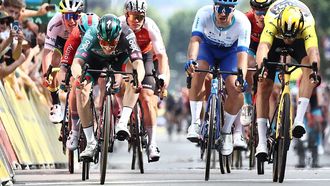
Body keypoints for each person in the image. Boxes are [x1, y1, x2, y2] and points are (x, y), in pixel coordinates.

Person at [71, 14, 145, 158]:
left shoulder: (127, 33)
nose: (108, 47)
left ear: (119, 36)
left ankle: (122, 123)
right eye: (104, 42)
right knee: (82, 90)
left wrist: (138, 80)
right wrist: (79, 78)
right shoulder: (91, 33)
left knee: (134, 76)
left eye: (112, 43)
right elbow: (76, 63)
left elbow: (139, 64)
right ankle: (91, 143)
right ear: (98, 36)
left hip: (119, 58)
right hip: (93, 59)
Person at [255, 0, 321, 161]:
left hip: (300, 40)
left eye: (290, 37)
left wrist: (314, 72)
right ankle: (261, 142)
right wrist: (261, 68)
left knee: (309, 68)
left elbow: (313, 51)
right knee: (263, 84)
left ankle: (298, 120)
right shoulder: (271, 18)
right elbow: (263, 47)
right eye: (286, 37)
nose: (288, 40)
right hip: (275, 38)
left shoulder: (307, 23)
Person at [184, 0, 251, 156]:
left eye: (227, 9)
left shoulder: (243, 23)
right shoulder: (203, 13)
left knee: (235, 88)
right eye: (219, 8)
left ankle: (226, 132)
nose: (223, 13)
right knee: (198, 71)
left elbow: (242, 54)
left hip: (230, 53)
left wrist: (241, 75)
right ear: (214, 7)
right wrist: (191, 60)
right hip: (207, 49)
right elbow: (195, 41)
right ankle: (194, 123)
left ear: (234, 10)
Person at [119, 0, 170, 162]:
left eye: (140, 17)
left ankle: (152, 143)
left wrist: (163, 77)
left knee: (147, 98)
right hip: (126, 56)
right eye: (134, 16)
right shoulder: (119, 24)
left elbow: (161, 55)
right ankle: (122, 118)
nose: (137, 20)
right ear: (127, 15)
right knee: (123, 86)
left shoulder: (150, 26)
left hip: (146, 56)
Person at [57, 13, 99, 150]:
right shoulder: (74, 37)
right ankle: (74, 131)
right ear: (79, 31)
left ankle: (103, 116)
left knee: (106, 82)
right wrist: (63, 82)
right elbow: (63, 67)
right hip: (78, 61)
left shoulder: (102, 35)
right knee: (75, 86)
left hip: (96, 62)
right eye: (84, 34)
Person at [41, 0, 83, 123]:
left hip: (79, 43)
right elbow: (47, 52)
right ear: (62, 15)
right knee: (54, 62)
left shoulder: (87, 22)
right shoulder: (55, 23)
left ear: (80, 15)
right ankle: (56, 103)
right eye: (68, 16)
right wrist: (45, 74)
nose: (71, 21)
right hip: (62, 42)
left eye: (75, 16)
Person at [0, 10, 24, 79]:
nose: (4, 25)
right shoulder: (6, 38)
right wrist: (9, 39)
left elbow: (16, 57)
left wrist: (20, 43)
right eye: (1, 22)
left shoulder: (4, 36)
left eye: (7, 23)